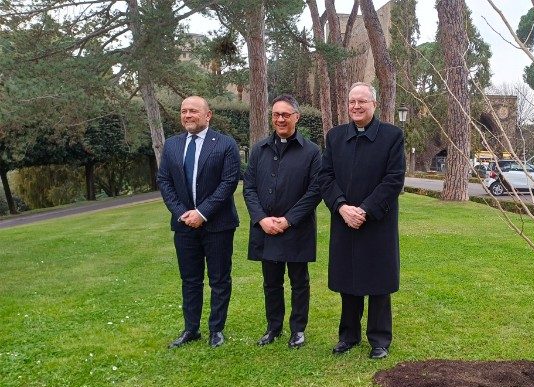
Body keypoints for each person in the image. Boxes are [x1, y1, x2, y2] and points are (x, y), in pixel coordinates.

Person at [318, 82, 405, 359]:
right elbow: (325, 177)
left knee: (378, 281)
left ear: (374, 105)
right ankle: (348, 335)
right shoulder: (335, 137)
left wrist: (365, 210)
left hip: (377, 221)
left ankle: (379, 340)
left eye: (362, 102)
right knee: (349, 279)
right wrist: (342, 207)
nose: (356, 106)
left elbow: (393, 180)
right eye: (352, 101)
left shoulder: (392, 136)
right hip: (344, 219)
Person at [157, 96, 241, 349]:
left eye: (193, 111)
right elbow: (164, 181)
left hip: (218, 224)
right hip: (184, 225)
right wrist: (183, 212)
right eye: (184, 111)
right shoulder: (171, 145)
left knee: (219, 279)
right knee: (190, 279)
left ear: (208, 115)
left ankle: (216, 329)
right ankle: (191, 329)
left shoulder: (225, 144)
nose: (187, 115)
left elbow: (229, 182)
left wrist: (202, 213)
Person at [243, 94, 322, 348]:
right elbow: (250, 188)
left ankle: (298, 330)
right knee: (271, 282)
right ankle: (273, 327)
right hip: (266, 228)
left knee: (299, 282)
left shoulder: (311, 152)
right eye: (276, 114)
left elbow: (315, 191)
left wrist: (288, 220)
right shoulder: (259, 150)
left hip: (296, 228)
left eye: (285, 115)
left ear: (296, 117)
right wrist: (261, 219)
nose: (280, 119)